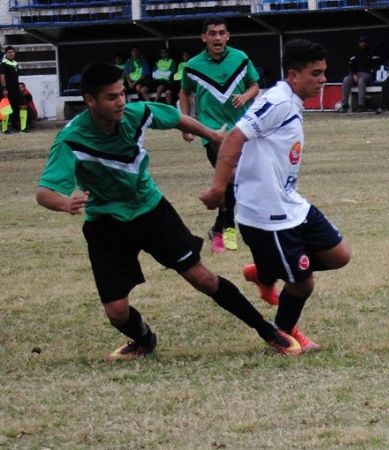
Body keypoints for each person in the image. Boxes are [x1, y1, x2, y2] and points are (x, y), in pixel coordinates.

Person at [35, 62, 302, 361]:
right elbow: (44, 193)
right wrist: (65, 203)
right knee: (116, 312)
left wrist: (212, 135)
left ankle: (268, 331)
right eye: (111, 97)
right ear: (89, 101)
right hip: (106, 224)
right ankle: (144, 339)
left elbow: (176, 118)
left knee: (203, 278)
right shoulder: (71, 140)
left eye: (122, 93)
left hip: (151, 210)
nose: (121, 101)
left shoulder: (135, 114)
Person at [200, 39, 351, 354]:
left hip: (290, 202)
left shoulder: (290, 99)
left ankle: (267, 270)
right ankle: (282, 334)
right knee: (302, 283)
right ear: (294, 76)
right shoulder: (278, 102)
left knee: (339, 255)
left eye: (324, 72)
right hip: (268, 213)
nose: (323, 79)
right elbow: (233, 139)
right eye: (316, 73)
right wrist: (218, 189)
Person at [180, 17, 260, 253]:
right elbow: (185, 93)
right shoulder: (193, 66)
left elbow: (255, 86)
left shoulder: (241, 58)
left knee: (235, 182)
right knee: (227, 180)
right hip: (212, 133)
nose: (217, 38)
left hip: (241, 130)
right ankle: (228, 231)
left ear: (228, 36)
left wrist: (246, 96)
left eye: (221, 33)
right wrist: (186, 124)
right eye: (212, 33)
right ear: (203, 37)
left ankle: (218, 227)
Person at [340, 36, 382, 113]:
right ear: (359, 43)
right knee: (346, 80)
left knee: (361, 80)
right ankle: (344, 105)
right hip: (355, 74)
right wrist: (353, 74)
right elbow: (350, 66)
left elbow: (377, 64)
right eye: (361, 42)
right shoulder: (355, 53)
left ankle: (361, 105)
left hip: (367, 74)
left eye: (364, 42)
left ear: (367, 43)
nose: (363, 44)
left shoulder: (372, 52)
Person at [1, 46, 29, 133]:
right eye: (9, 52)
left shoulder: (15, 63)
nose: (11, 54)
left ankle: (23, 128)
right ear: (6, 54)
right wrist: (4, 88)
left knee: (23, 105)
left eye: (12, 52)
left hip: (16, 88)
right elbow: (2, 77)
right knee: (6, 108)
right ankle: (5, 129)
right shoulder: (3, 64)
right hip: (8, 89)